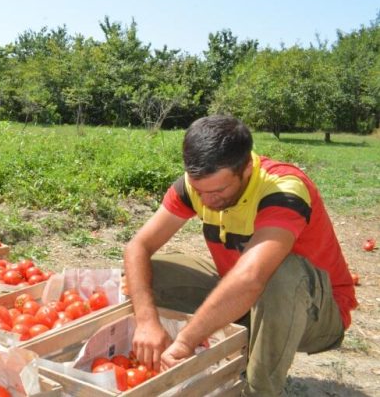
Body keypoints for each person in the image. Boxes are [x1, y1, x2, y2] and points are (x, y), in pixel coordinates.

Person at [123, 115, 357, 396]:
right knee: (150, 272)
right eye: (200, 191)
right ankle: (219, 350)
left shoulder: (283, 189)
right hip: (248, 301)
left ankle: (259, 389)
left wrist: (186, 341)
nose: (208, 201)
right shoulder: (196, 186)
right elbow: (138, 246)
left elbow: (251, 278)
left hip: (317, 315)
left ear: (246, 168)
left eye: (219, 190)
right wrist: (147, 321)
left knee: (281, 274)